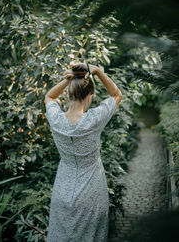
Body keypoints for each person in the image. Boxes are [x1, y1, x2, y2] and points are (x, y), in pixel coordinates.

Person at [45, 62, 123, 242]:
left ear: (68, 94)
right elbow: (117, 94)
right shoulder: (95, 119)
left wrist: (67, 80)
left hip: (62, 190)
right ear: (90, 96)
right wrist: (98, 72)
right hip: (92, 192)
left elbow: (49, 97)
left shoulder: (56, 119)